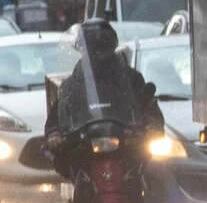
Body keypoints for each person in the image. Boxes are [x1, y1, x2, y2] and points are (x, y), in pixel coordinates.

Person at [43, 19, 163, 174]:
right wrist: (55, 135)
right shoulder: (72, 85)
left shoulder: (131, 79)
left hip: (128, 154)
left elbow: (149, 107)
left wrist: (153, 128)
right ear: (83, 51)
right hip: (86, 157)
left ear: (112, 47)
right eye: (93, 50)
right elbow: (55, 121)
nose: (99, 55)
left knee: (155, 172)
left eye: (103, 48)